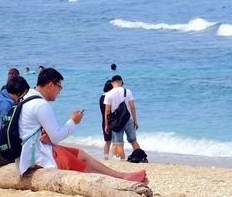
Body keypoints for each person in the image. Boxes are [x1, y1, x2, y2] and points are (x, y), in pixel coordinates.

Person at [16, 68, 146, 182]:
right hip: (34, 157)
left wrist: (44, 133)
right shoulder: (41, 105)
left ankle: (122, 176)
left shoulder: (27, 97)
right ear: (51, 85)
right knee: (82, 165)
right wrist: (73, 121)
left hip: (30, 151)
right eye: (59, 87)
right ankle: (121, 180)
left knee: (81, 154)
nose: (59, 92)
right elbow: (56, 136)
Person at [103, 74, 143, 160]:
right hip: (128, 120)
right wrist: (135, 120)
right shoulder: (127, 91)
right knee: (133, 141)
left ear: (112, 83)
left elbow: (107, 111)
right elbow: (132, 107)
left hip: (116, 122)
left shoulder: (108, 94)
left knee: (119, 143)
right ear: (121, 82)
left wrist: (107, 124)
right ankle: (140, 158)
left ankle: (122, 161)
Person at [100, 79, 114, 158]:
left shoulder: (101, 97)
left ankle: (105, 157)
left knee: (107, 141)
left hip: (104, 120)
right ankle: (115, 156)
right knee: (115, 140)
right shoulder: (108, 97)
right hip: (110, 121)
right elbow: (109, 110)